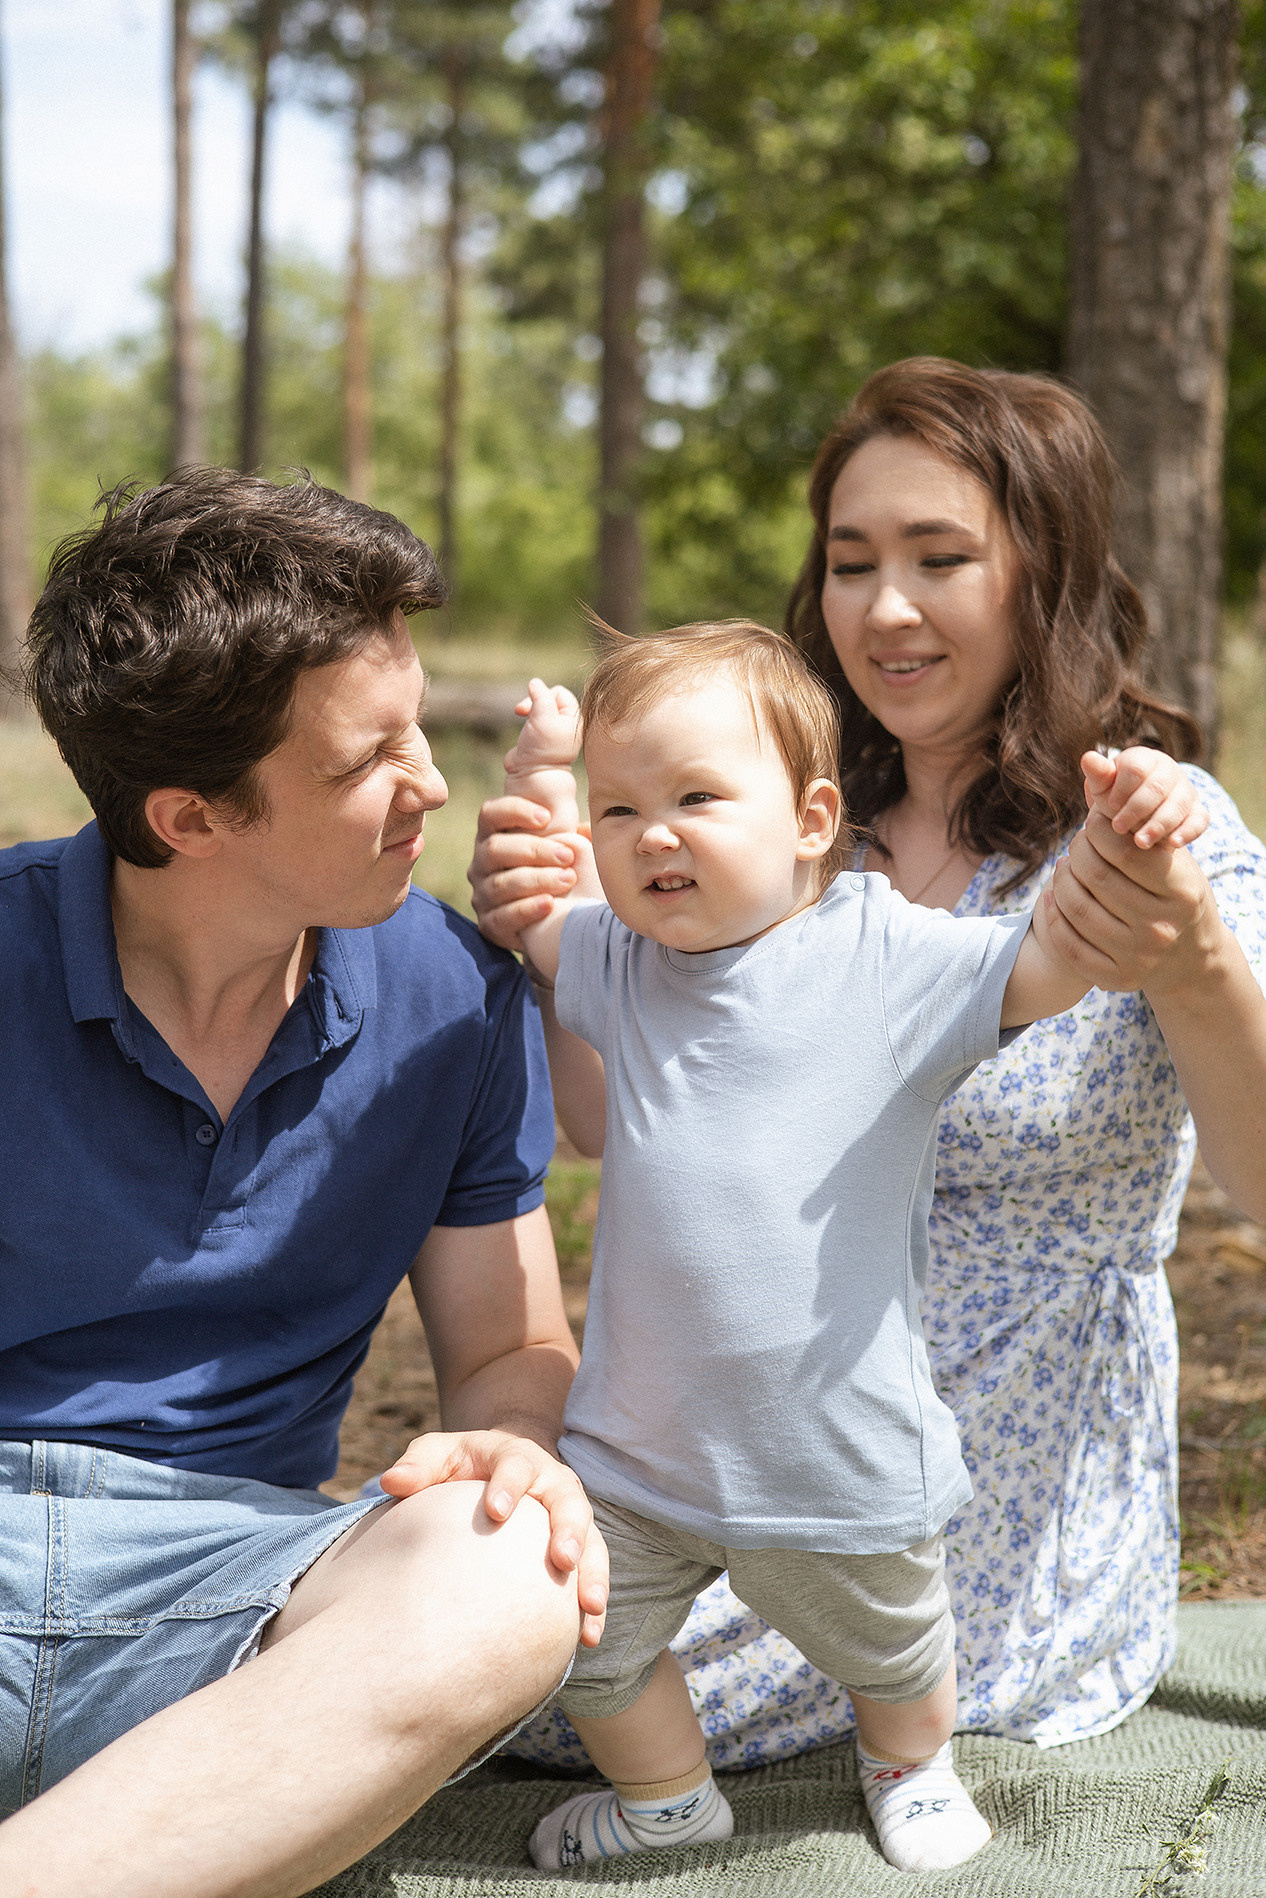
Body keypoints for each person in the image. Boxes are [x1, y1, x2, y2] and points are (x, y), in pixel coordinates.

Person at [468, 358, 1266, 1771]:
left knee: (508, 1690)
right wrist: (549, 925)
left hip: (990, 1448)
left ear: (1045, 571)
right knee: (483, 1629)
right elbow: (601, 1120)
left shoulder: (1150, 831)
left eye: (939, 557)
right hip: (716, 1420)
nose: (882, 608)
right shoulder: (764, 818)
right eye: (850, 562)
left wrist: (1190, 962)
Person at [492, 622, 1204, 1875]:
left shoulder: (884, 958)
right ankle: (669, 1799)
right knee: (587, 1645)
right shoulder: (620, 958)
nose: (654, 833)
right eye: (625, 809)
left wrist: (1117, 853)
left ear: (814, 815)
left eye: (697, 798)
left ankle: (908, 1763)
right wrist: (550, 780)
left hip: (834, 1451)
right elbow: (551, 913)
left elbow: (1047, 959)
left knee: (897, 1651)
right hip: (637, 1449)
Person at [0, 470, 608, 1898]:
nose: (435, 786)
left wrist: (512, 1439)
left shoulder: (457, 995)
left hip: (234, 1602)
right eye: (366, 761)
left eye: (418, 730)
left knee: (505, 1571)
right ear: (191, 817)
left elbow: (510, 1342)